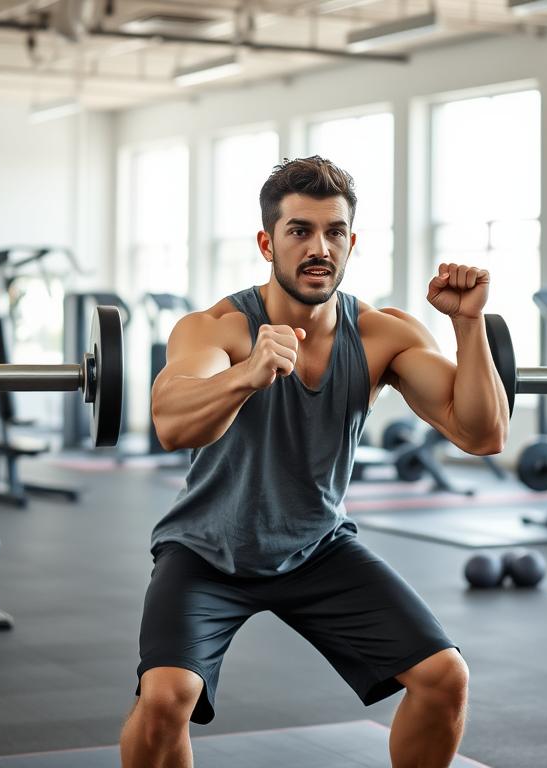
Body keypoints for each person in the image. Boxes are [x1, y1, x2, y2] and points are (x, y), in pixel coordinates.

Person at [120, 156, 509, 768]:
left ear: (351, 242)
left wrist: (468, 324)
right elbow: (171, 422)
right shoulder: (216, 327)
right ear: (266, 241)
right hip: (206, 550)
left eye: (333, 232)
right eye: (299, 230)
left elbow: (481, 434)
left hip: (319, 547)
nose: (318, 247)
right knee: (168, 696)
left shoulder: (383, 334)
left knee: (444, 679)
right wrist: (248, 375)